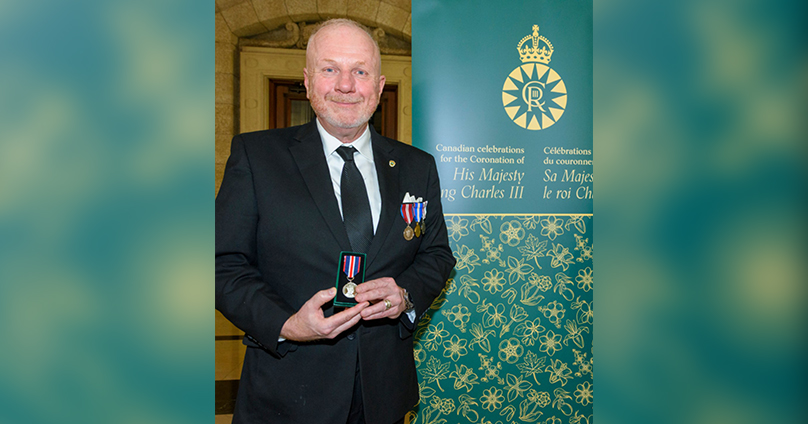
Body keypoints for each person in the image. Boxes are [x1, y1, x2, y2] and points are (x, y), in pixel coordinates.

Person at [215, 18, 456, 424]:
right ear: (308, 82)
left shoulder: (417, 167)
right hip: (287, 394)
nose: (346, 85)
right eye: (330, 69)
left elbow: (436, 254)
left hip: (384, 396)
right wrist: (287, 324)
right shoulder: (256, 158)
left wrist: (406, 294)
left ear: (379, 87)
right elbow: (222, 264)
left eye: (360, 71)